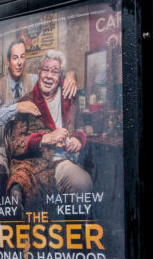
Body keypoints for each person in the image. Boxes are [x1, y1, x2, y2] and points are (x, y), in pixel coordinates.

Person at [0, 39, 76, 197]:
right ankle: (2, 220)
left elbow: (53, 76)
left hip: (23, 151)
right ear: (8, 61)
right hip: (0, 148)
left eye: (22, 57)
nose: (19, 63)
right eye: (15, 58)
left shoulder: (34, 79)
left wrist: (71, 75)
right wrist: (16, 107)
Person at [6, 50, 92, 210]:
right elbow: (15, 145)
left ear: (60, 76)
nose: (48, 76)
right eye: (45, 70)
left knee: (82, 182)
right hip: (35, 164)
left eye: (54, 72)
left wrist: (77, 139)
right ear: (38, 72)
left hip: (62, 161)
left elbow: (80, 126)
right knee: (18, 194)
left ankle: (77, 233)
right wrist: (46, 138)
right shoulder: (27, 101)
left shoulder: (69, 97)